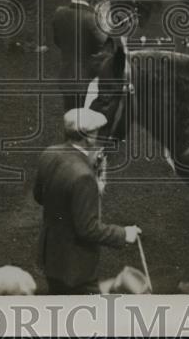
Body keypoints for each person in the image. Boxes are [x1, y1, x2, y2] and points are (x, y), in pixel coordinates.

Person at [33, 107, 140, 295]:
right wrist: (123, 234)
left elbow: (39, 196)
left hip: (51, 256)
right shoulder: (84, 177)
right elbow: (88, 229)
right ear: (88, 137)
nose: (98, 137)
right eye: (96, 132)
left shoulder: (49, 154)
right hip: (75, 268)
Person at [53, 0, 111, 111]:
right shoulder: (91, 18)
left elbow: (57, 42)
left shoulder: (59, 12)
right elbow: (107, 46)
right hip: (86, 77)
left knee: (70, 114)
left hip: (65, 74)